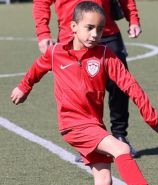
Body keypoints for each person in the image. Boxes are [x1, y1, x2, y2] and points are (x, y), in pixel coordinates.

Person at [11, 2, 158, 185]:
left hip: (94, 125)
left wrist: (152, 119)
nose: (94, 35)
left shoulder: (104, 55)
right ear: (73, 27)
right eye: (89, 28)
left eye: (99, 29)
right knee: (121, 149)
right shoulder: (56, 53)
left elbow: (130, 85)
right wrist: (23, 87)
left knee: (104, 181)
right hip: (73, 125)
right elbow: (37, 68)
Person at [33, 0, 143, 159]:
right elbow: (41, 2)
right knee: (81, 91)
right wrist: (43, 33)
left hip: (108, 34)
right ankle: (89, 143)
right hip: (71, 36)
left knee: (120, 86)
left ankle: (119, 135)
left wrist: (133, 18)